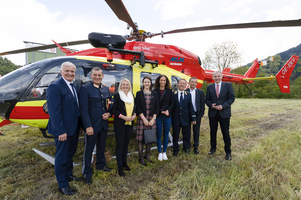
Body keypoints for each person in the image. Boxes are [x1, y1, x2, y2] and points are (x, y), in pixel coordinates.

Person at [46, 61, 82, 195]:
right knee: (61, 157)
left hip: (73, 128)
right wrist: (61, 131)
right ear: (61, 72)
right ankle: (62, 185)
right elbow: (55, 113)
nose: (70, 73)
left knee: (70, 154)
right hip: (63, 130)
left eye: (72, 71)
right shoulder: (55, 87)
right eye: (67, 71)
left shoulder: (74, 86)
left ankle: (68, 174)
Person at [79, 67, 112, 185]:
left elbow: (110, 105)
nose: (97, 77)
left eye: (99, 75)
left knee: (101, 147)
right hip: (92, 125)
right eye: (95, 75)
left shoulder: (106, 89)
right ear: (91, 76)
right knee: (88, 149)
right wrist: (87, 126)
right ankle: (87, 172)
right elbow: (83, 109)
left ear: (102, 76)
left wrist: (109, 113)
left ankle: (101, 165)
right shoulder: (85, 89)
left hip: (103, 124)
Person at [205, 70, 235, 160]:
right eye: (215, 76)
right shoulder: (209, 87)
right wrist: (211, 105)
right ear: (213, 77)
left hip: (224, 113)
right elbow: (207, 99)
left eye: (218, 76)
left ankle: (228, 152)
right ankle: (213, 148)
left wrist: (223, 106)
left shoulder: (228, 85)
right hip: (213, 114)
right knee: (212, 132)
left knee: (225, 133)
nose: (217, 78)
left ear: (221, 77)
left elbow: (232, 98)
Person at [111, 78, 136, 176]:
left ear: (129, 86)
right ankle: (120, 166)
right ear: (120, 86)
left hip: (129, 124)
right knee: (120, 145)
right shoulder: (117, 96)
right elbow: (114, 110)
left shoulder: (132, 96)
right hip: (120, 124)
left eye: (127, 84)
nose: (125, 86)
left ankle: (125, 162)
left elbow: (134, 108)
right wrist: (123, 117)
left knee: (126, 144)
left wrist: (134, 115)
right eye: (123, 84)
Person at [136, 76, 159, 166]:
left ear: (150, 83)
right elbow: (137, 107)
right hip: (142, 119)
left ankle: (147, 155)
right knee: (140, 139)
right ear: (143, 83)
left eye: (148, 82)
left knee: (149, 138)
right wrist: (144, 118)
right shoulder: (139, 93)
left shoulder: (154, 94)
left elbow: (157, 107)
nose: (146, 83)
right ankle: (141, 157)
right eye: (145, 82)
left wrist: (153, 118)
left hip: (152, 119)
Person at [172, 79, 196, 156]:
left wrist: (194, 118)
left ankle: (186, 148)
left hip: (186, 118)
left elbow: (191, 107)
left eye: (183, 84)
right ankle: (175, 149)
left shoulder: (188, 94)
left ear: (186, 85)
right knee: (175, 135)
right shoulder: (173, 94)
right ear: (178, 84)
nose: (182, 85)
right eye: (180, 83)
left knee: (186, 134)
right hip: (176, 118)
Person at [153, 75, 174, 161]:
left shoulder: (169, 91)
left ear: (166, 82)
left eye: (164, 80)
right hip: (158, 115)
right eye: (161, 80)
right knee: (158, 134)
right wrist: (159, 111)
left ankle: (164, 152)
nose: (162, 82)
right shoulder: (154, 91)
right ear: (158, 81)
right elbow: (153, 103)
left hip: (167, 115)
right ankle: (159, 152)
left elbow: (172, 103)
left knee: (166, 134)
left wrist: (168, 110)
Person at [185, 77, 205, 154]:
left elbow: (202, 103)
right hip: (187, 114)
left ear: (196, 83)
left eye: (195, 82)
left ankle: (196, 146)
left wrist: (201, 114)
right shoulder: (185, 91)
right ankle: (187, 146)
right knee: (187, 131)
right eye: (192, 82)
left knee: (196, 131)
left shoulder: (200, 92)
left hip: (197, 114)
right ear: (189, 83)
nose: (193, 83)